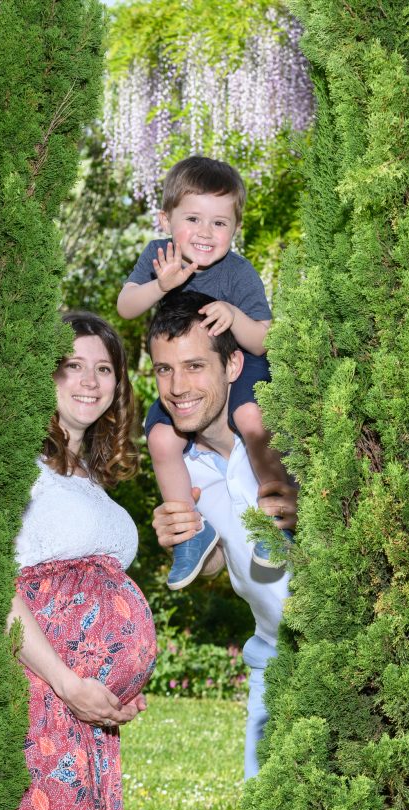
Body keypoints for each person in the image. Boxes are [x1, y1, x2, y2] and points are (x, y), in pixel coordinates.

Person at [5, 311, 157, 810]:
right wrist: (70, 683)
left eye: (104, 369)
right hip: (43, 697)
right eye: (73, 365)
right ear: (46, 374)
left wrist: (117, 685)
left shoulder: (89, 476)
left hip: (86, 714)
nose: (90, 381)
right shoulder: (19, 463)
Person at [117, 155, 292, 592]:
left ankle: (277, 513)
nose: (205, 232)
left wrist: (234, 315)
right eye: (193, 219)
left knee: (250, 416)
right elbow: (126, 307)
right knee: (160, 438)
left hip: (242, 363)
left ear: (235, 228)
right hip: (193, 370)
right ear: (166, 220)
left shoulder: (239, 272)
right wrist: (161, 285)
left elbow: (263, 340)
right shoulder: (159, 257)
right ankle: (191, 534)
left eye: (219, 223)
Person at [147, 292, 297, 785]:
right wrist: (181, 538)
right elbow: (217, 563)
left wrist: (304, 505)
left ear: (233, 365)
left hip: (352, 648)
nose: (177, 387)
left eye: (194, 366)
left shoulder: (282, 433)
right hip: (272, 661)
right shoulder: (184, 467)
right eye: (164, 370)